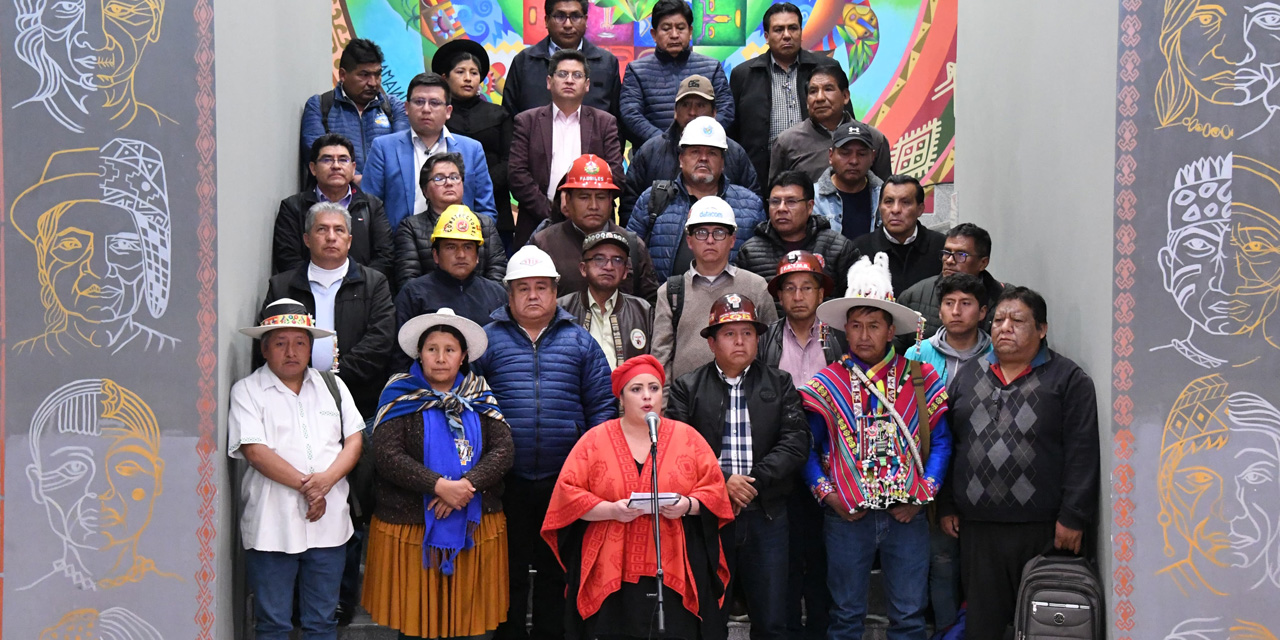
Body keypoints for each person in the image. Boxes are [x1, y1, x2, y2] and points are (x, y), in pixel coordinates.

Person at [802, 253, 952, 640]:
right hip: (846, 518)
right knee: (846, 616)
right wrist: (829, 495)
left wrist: (923, 495)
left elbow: (942, 441)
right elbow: (807, 449)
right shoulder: (826, 384)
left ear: (891, 331)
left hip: (907, 516)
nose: (864, 335)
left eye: (874, 325)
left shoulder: (920, 377)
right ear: (844, 332)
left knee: (908, 616)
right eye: (856, 326)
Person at [938, 287, 1100, 640]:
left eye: (1017, 320)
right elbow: (951, 443)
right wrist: (947, 503)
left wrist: (1074, 516)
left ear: (1041, 329)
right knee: (982, 628)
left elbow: (1082, 452)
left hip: (1044, 531)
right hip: (979, 531)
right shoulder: (968, 375)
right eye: (998, 320)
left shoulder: (1068, 380)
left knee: (1043, 626)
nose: (1004, 327)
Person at [472, 245, 616, 640]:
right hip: (505, 480)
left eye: (541, 287)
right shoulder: (485, 342)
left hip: (565, 481)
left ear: (555, 292)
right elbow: (469, 408)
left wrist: (591, 467)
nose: (533, 296)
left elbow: (602, 406)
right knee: (508, 570)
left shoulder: (581, 341)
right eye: (523, 288)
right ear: (509, 293)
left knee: (558, 570)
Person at [541, 355, 735, 640]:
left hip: (675, 560)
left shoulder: (688, 437)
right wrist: (610, 509)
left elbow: (714, 493)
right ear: (620, 396)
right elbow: (567, 496)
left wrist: (687, 505)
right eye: (636, 389)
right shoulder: (594, 440)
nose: (647, 396)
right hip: (610, 564)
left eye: (654, 388)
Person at [362, 308, 515, 640]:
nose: (441, 358)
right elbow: (387, 454)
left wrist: (466, 486)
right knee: (416, 623)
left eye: (450, 350)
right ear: (420, 353)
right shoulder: (399, 394)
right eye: (432, 349)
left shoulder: (480, 394)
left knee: (470, 625)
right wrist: (439, 486)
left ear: (463, 357)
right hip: (412, 528)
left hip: (476, 525)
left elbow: (503, 450)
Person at [666, 295, 809, 640]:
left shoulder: (780, 383)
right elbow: (677, 451)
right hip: (709, 517)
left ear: (758, 339)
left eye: (748, 333)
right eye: (730, 334)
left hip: (767, 513)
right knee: (708, 616)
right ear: (712, 342)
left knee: (772, 618)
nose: (741, 341)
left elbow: (796, 442)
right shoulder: (687, 387)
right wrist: (723, 482)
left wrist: (751, 482)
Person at [229, 299, 365, 640]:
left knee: (321, 623)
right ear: (264, 349)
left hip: (329, 525)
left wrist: (326, 482)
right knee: (273, 624)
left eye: (300, 342)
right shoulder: (247, 390)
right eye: (280, 343)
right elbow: (255, 450)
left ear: (310, 346)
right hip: (271, 527)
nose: (291, 351)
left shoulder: (332, 386)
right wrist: (311, 487)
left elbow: (354, 440)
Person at [754, 251, 846, 640]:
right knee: (787, 555)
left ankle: (823, 627)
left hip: (834, 460)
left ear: (821, 291)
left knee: (827, 553)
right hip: (783, 460)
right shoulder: (768, 339)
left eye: (807, 287)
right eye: (789, 288)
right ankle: (789, 626)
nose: (798, 296)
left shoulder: (838, 337)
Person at [902, 273, 991, 630]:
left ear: (983, 311)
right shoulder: (916, 355)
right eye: (949, 303)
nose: (956, 312)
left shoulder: (996, 353)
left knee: (980, 566)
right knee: (941, 561)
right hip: (932, 469)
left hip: (983, 471)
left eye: (966, 304)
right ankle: (943, 631)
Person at [650, 197, 778, 383]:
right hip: (686, 404)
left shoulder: (756, 287)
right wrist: (668, 407)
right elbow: (661, 357)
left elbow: (771, 350)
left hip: (747, 398)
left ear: (732, 240)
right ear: (690, 241)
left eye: (719, 232)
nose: (710, 240)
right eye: (701, 232)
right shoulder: (671, 291)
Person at [509, 50, 624, 246]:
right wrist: (553, 213)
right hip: (538, 224)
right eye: (562, 74)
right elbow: (517, 175)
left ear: (587, 85)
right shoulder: (526, 121)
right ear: (549, 81)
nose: (569, 80)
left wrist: (581, 211)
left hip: (594, 227)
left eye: (577, 75)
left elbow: (616, 176)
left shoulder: (605, 122)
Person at [627, 118, 766, 280]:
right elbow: (630, 259)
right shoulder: (652, 199)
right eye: (695, 152)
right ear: (681, 159)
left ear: (723, 163)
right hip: (663, 302)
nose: (703, 158)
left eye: (712, 153)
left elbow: (761, 266)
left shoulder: (750, 205)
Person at [729, 3, 845, 187]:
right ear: (766, 37)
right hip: (760, 180)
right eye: (778, 30)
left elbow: (846, 122)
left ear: (801, 31)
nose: (787, 35)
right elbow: (732, 134)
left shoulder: (826, 68)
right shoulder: (743, 74)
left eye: (793, 28)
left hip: (821, 175)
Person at [364, 72, 497, 231]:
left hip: (458, 248)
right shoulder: (384, 148)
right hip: (399, 249)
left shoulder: (472, 149)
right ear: (406, 108)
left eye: (434, 103)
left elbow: (486, 210)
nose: (426, 109)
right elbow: (370, 210)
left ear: (448, 111)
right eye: (419, 102)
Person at [622, 75, 759, 224]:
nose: (692, 112)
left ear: (714, 112)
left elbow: (751, 206)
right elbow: (629, 204)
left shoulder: (734, 152)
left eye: (700, 105)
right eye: (686, 105)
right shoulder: (650, 151)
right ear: (675, 111)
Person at [531, 154, 659, 302]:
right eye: (584, 197)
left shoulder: (632, 245)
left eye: (601, 197)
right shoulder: (544, 244)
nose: (593, 206)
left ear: (611, 201)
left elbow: (651, 305)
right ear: (567, 200)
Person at [432, 39, 516, 252]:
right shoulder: (436, 116)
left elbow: (510, 162)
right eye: (460, 72)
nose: (468, 78)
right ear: (444, 77)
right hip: (442, 205)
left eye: (474, 73)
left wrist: (477, 185)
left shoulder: (499, 114)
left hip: (495, 206)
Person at [394, 205, 507, 361]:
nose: (461, 255)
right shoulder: (413, 293)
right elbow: (399, 355)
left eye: (468, 247)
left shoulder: (497, 294)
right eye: (451, 247)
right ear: (436, 255)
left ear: (477, 255)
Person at [275, 133, 394, 279]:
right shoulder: (293, 207)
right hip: (309, 293)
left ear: (353, 168)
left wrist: (358, 286)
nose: (336, 166)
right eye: (327, 159)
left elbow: (385, 256)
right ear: (313, 168)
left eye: (343, 160)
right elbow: (288, 259)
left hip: (362, 294)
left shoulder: (372, 206)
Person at [619, 0, 734, 144]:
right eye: (666, 28)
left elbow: (726, 110)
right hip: (654, 156)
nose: (674, 35)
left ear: (690, 32)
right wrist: (664, 143)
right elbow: (630, 115)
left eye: (680, 28)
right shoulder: (636, 70)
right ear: (654, 34)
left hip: (703, 152)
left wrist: (701, 138)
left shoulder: (712, 68)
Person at [394, 153, 508, 289]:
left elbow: (497, 272)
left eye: (455, 177)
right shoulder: (410, 227)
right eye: (439, 178)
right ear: (425, 191)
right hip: (429, 306)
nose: (449, 183)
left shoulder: (485, 223)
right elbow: (408, 281)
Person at [736, 171, 859, 295]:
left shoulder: (837, 247)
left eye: (791, 202)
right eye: (775, 201)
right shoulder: (750, 252)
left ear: (810, 207)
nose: (781, 208)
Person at [301, 38, 408, 179]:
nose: (373, 82)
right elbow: (316, 154)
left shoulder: (394, 107)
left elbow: (402, 152)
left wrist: (370, 182)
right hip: (335, 195)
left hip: (384, 195)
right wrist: (354, 178)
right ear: (343, 75)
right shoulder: (319, 105)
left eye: (377, 74)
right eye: (364, 75)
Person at [502, 0, 622, 123]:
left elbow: (617, 121)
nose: (568, 24)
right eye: (560, 16)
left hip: (591, 142)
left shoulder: (606, 63)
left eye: (575, 16)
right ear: (546, 20)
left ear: (585, 20)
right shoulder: (524, 61)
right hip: (535, 141)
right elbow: (509, 118)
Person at [769, 67, 890, 186]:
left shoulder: (873, 138)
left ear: (845, 96)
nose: (820, 98)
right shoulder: (787, 142)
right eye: (813, 91)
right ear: (806, 101)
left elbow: (886, 194)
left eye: (828, 89)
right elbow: (777, 195)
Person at [558, 232, 654, 369]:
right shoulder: (562, 309)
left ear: (626, 272)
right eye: (599, 259)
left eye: (617, 260)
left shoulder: (643, 310)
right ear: (583, 268)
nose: (609, 266)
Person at [898, 223, 1004, 346]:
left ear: (983, 263)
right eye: (947, 252)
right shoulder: (914, 296)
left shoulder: (1003, 300)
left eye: (961, 255)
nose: (949, 260)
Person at [850, 175, 945, 296]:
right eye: (889, 202)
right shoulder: (859, 249)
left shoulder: (940, 248)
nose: (895, 210)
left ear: (920, 209)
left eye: (905, 202)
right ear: (879, 207)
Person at [812, 123, 885, 242]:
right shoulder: (812, 198)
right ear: (831, 155)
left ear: (872, 157)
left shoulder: (884, 196)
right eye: (845, 153)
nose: (854, 161)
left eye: (861, 154)